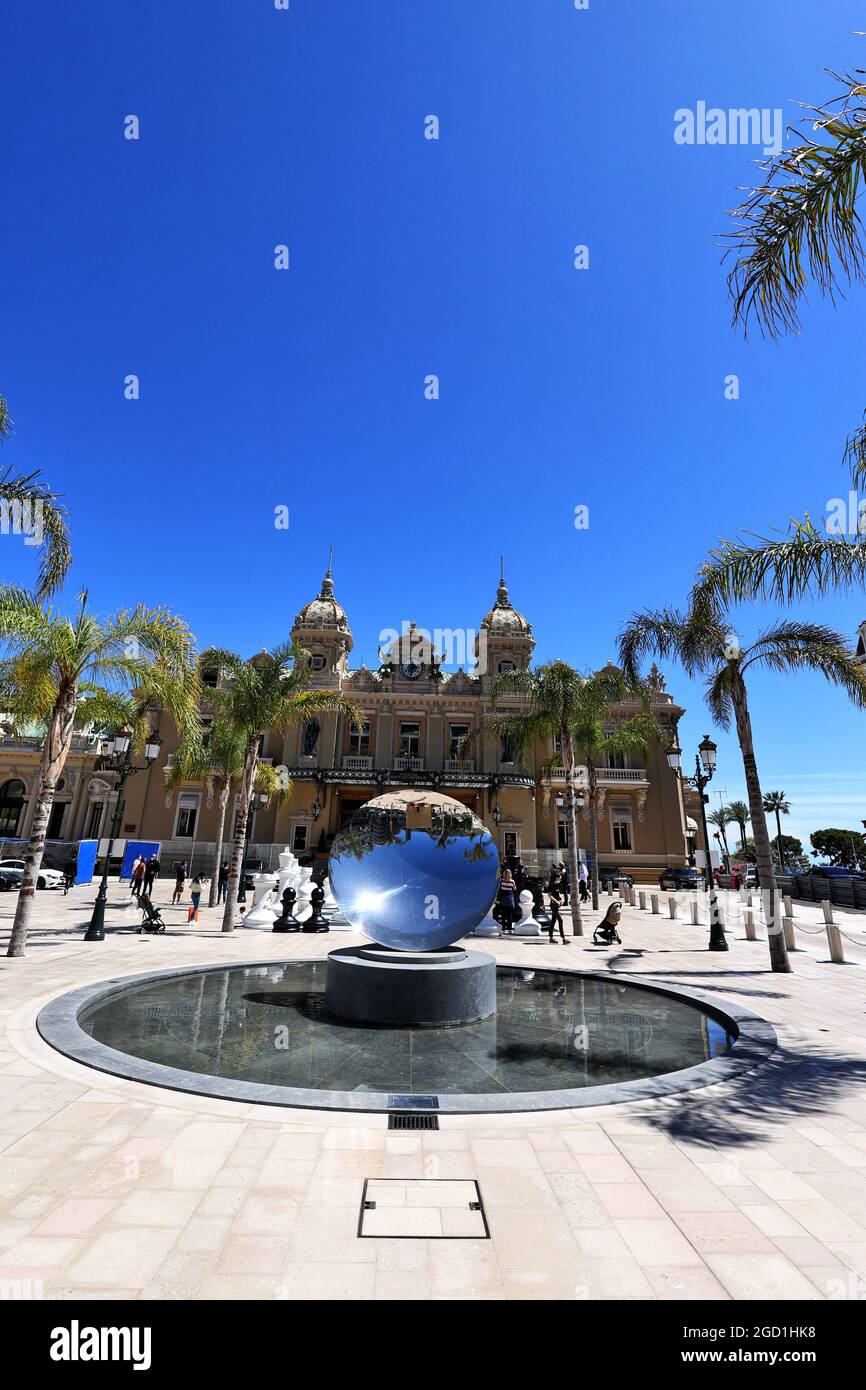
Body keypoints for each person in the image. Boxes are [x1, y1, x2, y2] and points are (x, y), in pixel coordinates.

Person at [547, 868, 568, 944]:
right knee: (560, 920)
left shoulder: (557, 885)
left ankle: (551, 938)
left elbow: (558, 895)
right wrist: (557, 902)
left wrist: (561, 900)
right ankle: (563, 938)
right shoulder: (551, 885)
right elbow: (550, 895)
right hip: (553, 906)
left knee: (553, 921)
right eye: (559, 878)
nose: (560, 879)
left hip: (557, 905)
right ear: (556, 877)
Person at [498, 866, 517, 933]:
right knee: (509, 915)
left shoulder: (501, 881)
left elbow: (499, 888)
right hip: (510, 899)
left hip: (503, 899)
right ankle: (509, 929)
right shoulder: (512, 881)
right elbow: (514, 889)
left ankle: (503, 929)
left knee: (503, 915)